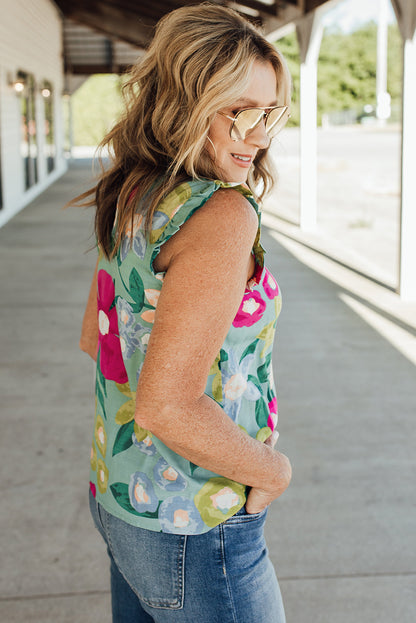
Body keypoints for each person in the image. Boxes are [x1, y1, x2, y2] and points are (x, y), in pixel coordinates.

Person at [77, 4, 292, 622]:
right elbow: (167, 404)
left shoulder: (133, 191)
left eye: (271, 112)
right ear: (184, 103)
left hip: (121, 501)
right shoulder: (222, 215)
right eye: (240, 112)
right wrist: (272, 470)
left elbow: (99, 341)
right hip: (198, 521)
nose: (260, 134)